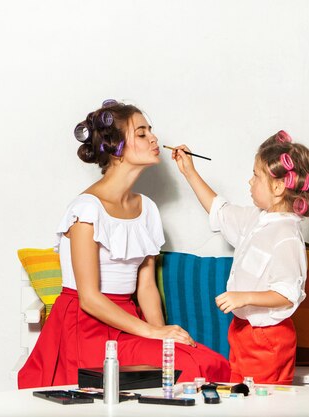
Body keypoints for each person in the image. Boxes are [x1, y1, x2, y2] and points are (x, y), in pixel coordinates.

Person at [18, 100, 230, 389]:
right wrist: (152, 333)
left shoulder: (148, 209)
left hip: (130, 322)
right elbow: (89, 298)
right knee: (192, 367)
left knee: (208, 363)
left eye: (150, 131)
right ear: (115, 147)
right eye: (142, 134)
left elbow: (146, 287)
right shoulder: (86, 209)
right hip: (86, 327)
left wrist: (161, 334)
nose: (154, 138)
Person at [170, 130, 309, 385]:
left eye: (256, 176)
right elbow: (220, 211)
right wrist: (189, 171)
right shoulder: (257, 219)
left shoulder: (287, 236)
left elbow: (287, 294)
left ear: (279, 187)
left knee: (264, 404)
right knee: (241, 398)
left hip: (268, 339)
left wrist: (243, 297)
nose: (249, 182)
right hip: (242, 333)